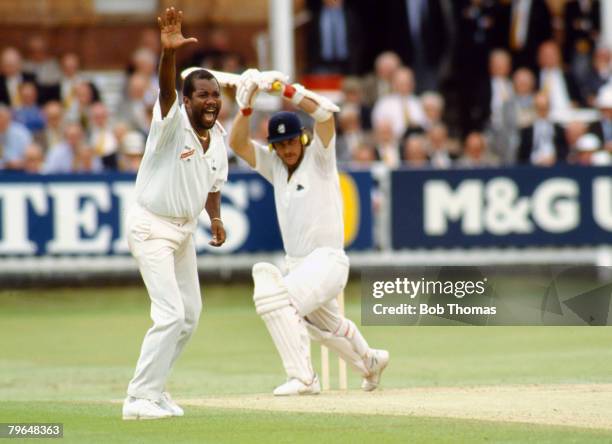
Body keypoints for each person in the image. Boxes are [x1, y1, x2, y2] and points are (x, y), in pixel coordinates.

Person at [229, 69, 389, 396]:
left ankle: (304, 378)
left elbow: (327, 114)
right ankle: (370, 361)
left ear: (302, 137)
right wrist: (245, 108)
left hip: (328, 260)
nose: (287, 149)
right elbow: (237, 143)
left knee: (275, 298)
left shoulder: (319, 157)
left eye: (291, 141)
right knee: (326, 328)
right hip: (298, 264)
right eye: (280, 145)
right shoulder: (274, 165)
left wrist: (289, 90)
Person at [122, 7, 228, 420]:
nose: (211, 101)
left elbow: (213, 185)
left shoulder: (216, 137)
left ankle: (155, 389)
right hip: (151, 226)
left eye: (215, 94)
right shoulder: (170, 125)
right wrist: (169, 54)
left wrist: (215, 219)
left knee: (190, 316)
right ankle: (137, 399)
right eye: (202, 94)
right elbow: (166, 90)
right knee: (169, 314)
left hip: (185, 232)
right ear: (186, 101)